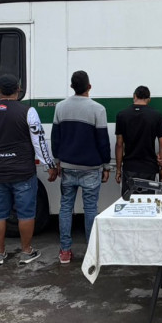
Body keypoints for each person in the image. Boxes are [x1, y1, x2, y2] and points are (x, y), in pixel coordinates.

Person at [0, 74, 55, 267]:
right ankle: (26, 252)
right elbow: (39, 140)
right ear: (18, 90)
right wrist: (49, 165)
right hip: (23, 172)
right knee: (26, 213)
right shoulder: (28, 111)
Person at [50, 70, 110, 264]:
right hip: (91, 168)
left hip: (67, 166)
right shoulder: (98, 109)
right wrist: (106, 165)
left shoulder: (60, 107)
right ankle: (92, 252)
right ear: (89, 87)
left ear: (72, 86)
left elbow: (55, 137)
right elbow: (103, 141)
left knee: (66, 207)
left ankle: (65, 251)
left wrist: (57, 161)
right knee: (90, 208)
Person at [115, 85, 162, 195]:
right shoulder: (157, 116)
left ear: (134, 96)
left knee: (128, 204)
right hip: (150, 168)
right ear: (149, 99)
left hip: (129, 168)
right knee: (149, 205)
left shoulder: (122, 115)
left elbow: (119, 144)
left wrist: (118, 169)